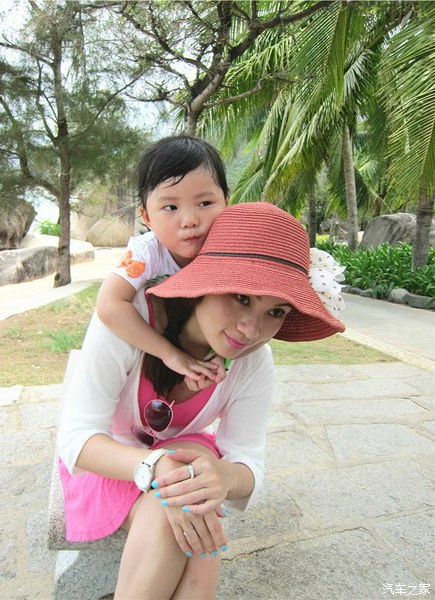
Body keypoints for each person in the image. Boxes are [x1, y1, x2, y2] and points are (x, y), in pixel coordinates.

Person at [58, 202, 345, 600]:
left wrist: (223, 477)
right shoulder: (129, 323)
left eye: (276, 311)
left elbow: (247, 460)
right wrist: (158, 467)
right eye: (241, 297)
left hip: (182, 459)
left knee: (192, 497)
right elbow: (77, 439)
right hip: (109, 461)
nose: (251, 330)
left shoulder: (254, 363)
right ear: (204, 282)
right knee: (185, 505)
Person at [96, 135, 229, 390]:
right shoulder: (147, 252)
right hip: (143, 365)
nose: (189, 220)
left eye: (204, 203)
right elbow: (108, 305)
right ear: (146, 217)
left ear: (226, 204)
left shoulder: (232, 251)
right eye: (170, 207)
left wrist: (224, 352)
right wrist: (169, 354)